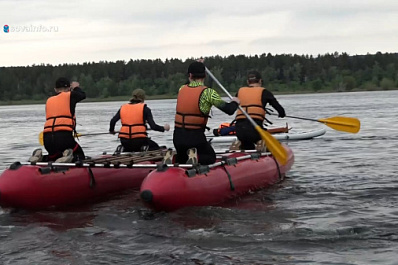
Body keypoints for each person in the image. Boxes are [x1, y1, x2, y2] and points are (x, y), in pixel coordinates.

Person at [173, 61, 240, 165]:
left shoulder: (182, 89)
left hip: (177, 138)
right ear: (205, 75)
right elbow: (229, 110)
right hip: (195, 138)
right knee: (210, 157)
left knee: (183, 158)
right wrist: (235, 102)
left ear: (190, 75)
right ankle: (196, 158)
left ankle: (176, 159)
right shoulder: (208, 93)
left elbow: (189, 84)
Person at [29, 77, 86, 163]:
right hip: (63, 137)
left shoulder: (49, 100)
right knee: (80, 156)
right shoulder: (70, 95)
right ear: (69, 88)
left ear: (55, 89)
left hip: (47, 138)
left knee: (54, 157)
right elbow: (82, 95)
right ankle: (68, 157)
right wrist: (76, 87)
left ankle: (41, 157)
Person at [234, 70, 286, 150]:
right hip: (255, 130)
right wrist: (282, 114)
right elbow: (280, 110)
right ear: (260, 81)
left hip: (239, 130)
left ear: (248, 82)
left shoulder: (240, 92)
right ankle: (262, 145)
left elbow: (232, 107)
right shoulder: (264, 92)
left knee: (248, 145)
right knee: (267, 143)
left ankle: (241, 147)